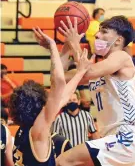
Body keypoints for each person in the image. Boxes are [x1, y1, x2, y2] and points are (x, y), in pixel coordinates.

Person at [55, 16, 135, 166]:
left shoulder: (122, 56)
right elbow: (59, 79)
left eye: (104, 32)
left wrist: (75, 43)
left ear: (118, 40)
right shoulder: (98, 69)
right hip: (109, 137)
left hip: (124, 137)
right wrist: (65, 47)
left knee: (63, 161)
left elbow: (87, 70)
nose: (97, 35)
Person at [9, 27, 91, 166]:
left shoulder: (22, 130)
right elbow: (59, 83)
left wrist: (66, 47)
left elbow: (63, 96)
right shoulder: (38, 131)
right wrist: (53, 46)